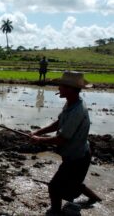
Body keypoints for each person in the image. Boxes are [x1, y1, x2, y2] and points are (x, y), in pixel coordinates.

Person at [30, 71, 101, 215]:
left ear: (70, 88)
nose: (58, 88)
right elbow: (58, 123)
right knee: (75, 183)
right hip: (76, 154)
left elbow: (62, 139)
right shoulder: (71, 103)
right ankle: (96, 199)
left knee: (54, 187)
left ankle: (55, 212)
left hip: (77, 157)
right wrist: (39, 132)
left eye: (61, 86)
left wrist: (39, 140)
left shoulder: (77, 111)